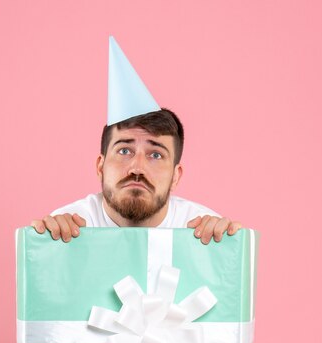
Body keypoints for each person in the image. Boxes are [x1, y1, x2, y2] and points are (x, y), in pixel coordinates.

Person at [31, 37, 242, 244]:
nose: (137, 168)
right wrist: (50, 251)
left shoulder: (202, 235)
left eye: (156, 155)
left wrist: (226, 253)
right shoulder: (67, 231)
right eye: (124, 151)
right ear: (100, 166)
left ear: (175, 176)